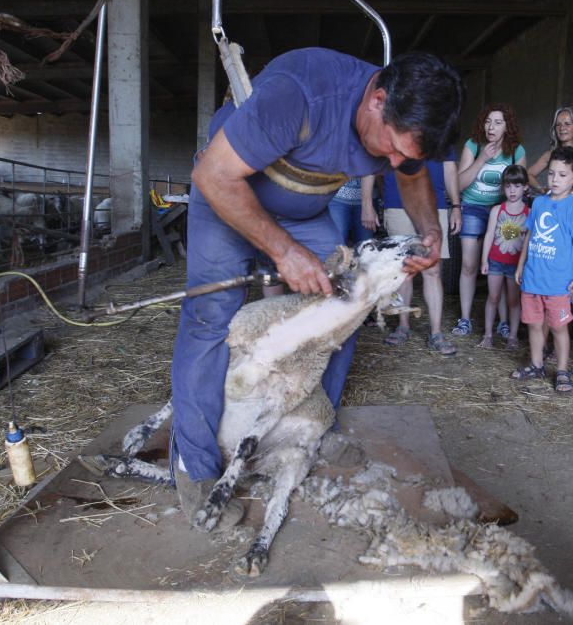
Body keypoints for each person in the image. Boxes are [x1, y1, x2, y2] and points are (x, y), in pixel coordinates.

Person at [172, 48, 464, 529]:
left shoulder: (402, 123)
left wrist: (430, 231)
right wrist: (284, 252)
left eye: (403, 156)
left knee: (343, 308)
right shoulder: (301, 95)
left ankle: (307, 428)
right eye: (391, 148)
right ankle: (196, 468)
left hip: (302, 208)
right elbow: (214, 174)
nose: (392, 162)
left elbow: (410, 176)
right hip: (229, 193)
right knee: (209, 317)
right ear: (377, 99)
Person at [511, 146, 573, 393]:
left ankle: (562, 370)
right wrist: (521, 266)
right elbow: (530, 236)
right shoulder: (539, 203)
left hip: (557, 283)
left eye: (562, 175)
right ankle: (536, 364)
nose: (555, 179)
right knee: (533, 324)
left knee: (558, 327)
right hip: (533, 277)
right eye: (552, 173)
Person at [453, 103, 527, 338]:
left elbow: (519, 186)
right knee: (469, 265)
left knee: (504, 265)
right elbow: (459, 184)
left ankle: (503, 322)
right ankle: (465, 319)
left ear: (507, 126)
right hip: (473, 207)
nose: (491, 126)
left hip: (504, 212)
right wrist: (481, 159)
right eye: (487, 121)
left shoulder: (516, 151)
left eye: (497, 122)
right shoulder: (473, 146)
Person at [379, 151, 461, 356]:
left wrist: (456, 205)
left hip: (435, 205)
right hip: (396, 201)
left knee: (433, 270)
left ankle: (436, 333)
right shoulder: (395, 119)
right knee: (403, 269)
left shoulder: (442, 124)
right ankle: (403, 326)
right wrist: (367, 204)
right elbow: (377, 162)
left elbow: (449, 169)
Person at [478, 165, 530, 349]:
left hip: (515, 265)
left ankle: (513, 337)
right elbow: (489, 235)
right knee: (493, 297)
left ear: (525, 187)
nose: (512, 191)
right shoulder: (497, 210)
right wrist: (484, 259)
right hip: (496, 261)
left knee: (514, 301)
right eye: (508, 186)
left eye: (517, 186)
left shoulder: (529, 213)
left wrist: (524, 266)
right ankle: (488, 335)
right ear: (503, 188)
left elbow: (529, 241)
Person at [527, 107, 573, 193]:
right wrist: (542, 190)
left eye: (567, 124)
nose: (562, 128)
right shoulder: (550, 154)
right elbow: (528, 174)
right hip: (556, 200)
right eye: (558, 124)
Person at [329, 175, 377, 245]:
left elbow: (374, 167)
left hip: (368, 199)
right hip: (336, 196)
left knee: (366, 247)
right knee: (336, 247)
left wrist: (367, 206)